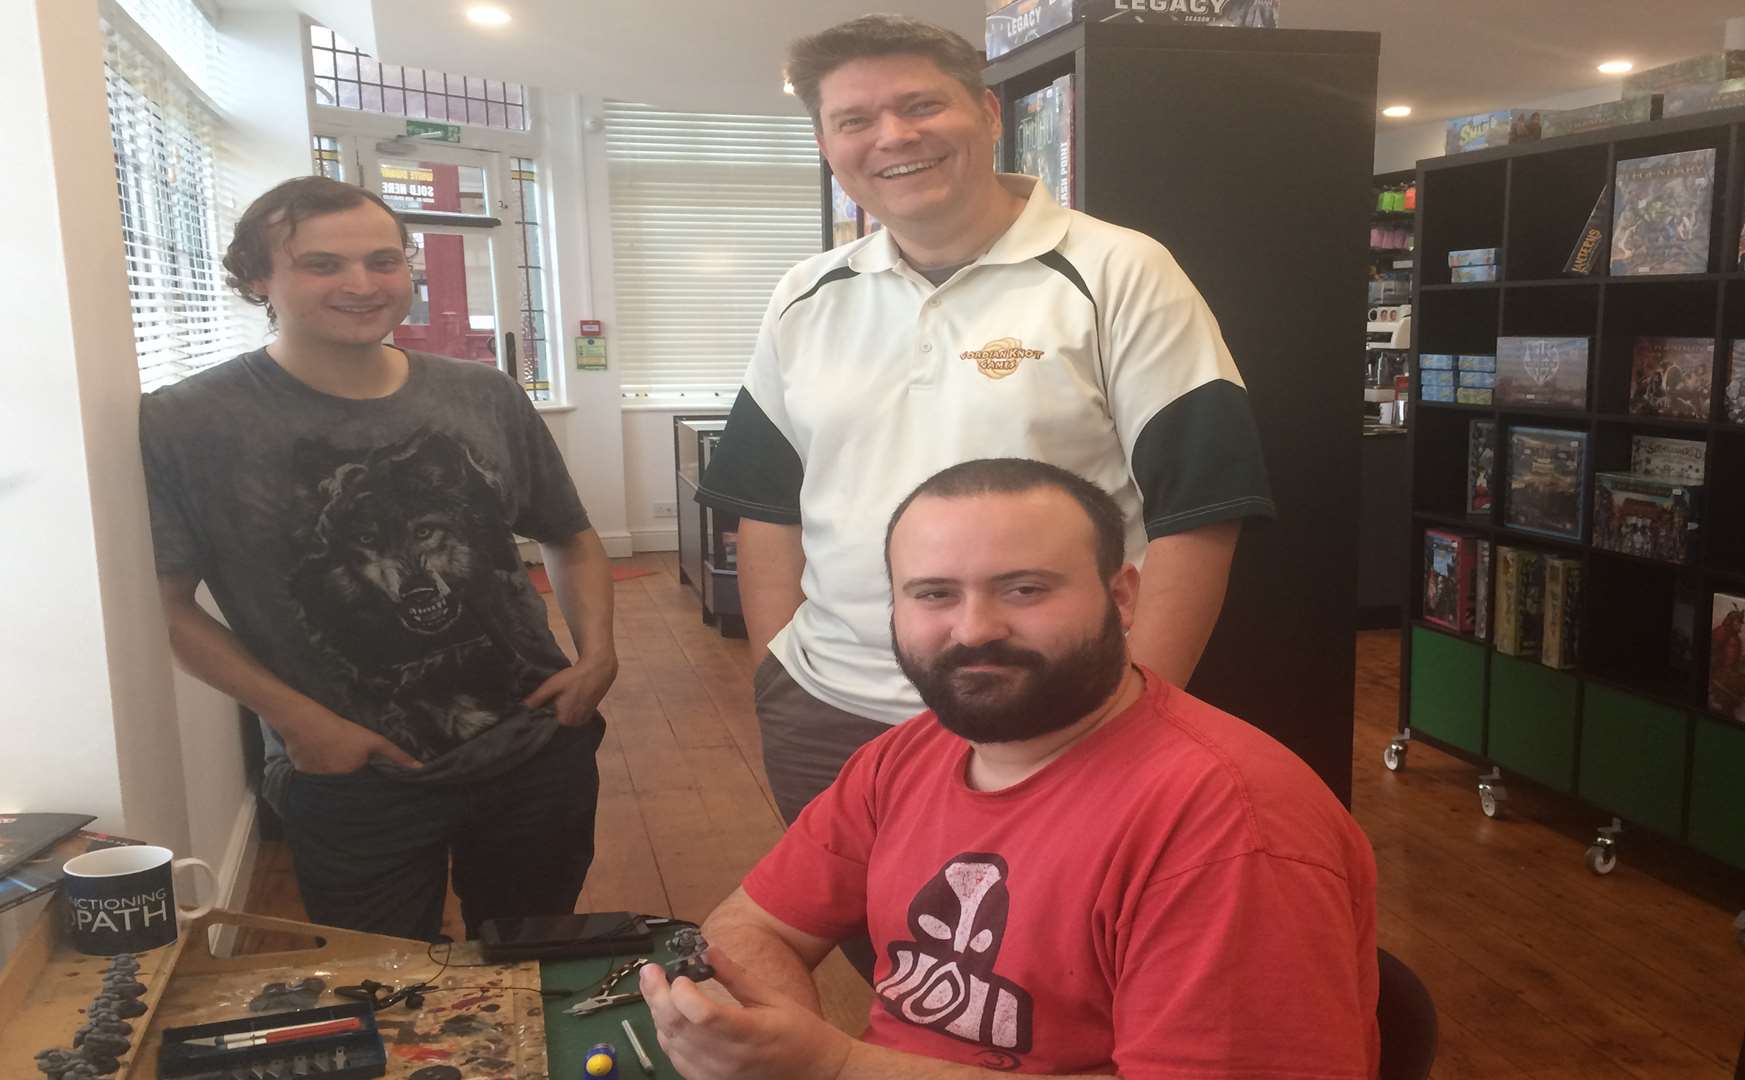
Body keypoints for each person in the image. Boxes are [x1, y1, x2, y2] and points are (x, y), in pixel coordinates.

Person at [696, 14, 1277, 835]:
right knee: (888, 952)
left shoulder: (1120, 271)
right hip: (829, 714)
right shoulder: (804, 293)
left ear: (988, 113)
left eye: (921, 105)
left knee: (1040, 956)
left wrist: (1133, 722)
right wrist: (773, 674)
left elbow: (1201, 512)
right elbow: (766, 503)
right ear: (827, 143)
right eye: (854, 120)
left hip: (1051, 715)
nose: (893, 136)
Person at [642, 459, 1378, 1079]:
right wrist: (775, 1038)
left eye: (1025, 589)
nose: (974, 629)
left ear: (1122, 597)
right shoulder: (906, 758)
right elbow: (747, 928)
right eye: (934, 594)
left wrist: (835, 1068)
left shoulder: (1229, 823)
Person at [139, 176, 617, 940]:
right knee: (383, 987)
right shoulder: (189, 422)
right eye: (322, 265)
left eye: (383, 261)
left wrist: (597, 658)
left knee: (532, 961)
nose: (361, 285)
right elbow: (161, 606)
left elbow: (570, 534)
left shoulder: (482, 394)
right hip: (354, 774)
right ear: (259, 279)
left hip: (534, 745)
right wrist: (299, 722)